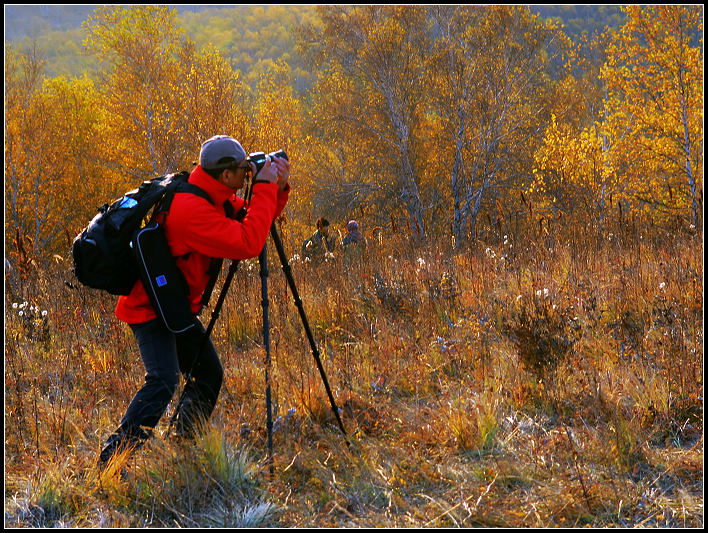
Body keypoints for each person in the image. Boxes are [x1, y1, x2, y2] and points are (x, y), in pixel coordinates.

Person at [99, 135, 290, 466]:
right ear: (225, 175)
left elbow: (256, 219)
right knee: (163, 380)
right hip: (149, 307)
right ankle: (113, 460)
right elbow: (247, 243)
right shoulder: (192, 209)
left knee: (208, 374)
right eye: (242, 171)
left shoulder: (213, 193)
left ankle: (182, 447)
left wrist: (277, 188)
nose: (246, 175)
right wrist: (263, 187)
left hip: (175, 306)